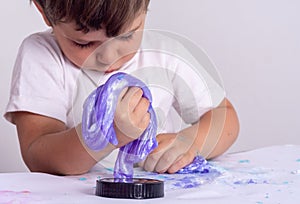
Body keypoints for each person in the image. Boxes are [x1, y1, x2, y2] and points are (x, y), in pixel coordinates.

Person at [4, 0, 239, 175]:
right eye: (83, 43)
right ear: (44, 11)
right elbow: (38, 156)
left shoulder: (166, 53)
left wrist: (189, 143)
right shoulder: (42, 55)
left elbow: (225, 118)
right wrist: (106, 135)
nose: (107, 57)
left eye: (126, 36)